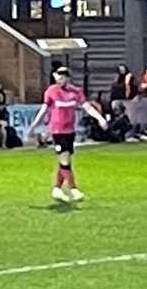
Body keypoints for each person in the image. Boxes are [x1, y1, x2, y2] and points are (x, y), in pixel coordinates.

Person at [24, 67, 107, 203]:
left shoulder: (76, 92)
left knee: (65, 159)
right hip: (57, 131)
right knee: (64, 159)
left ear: (68, 78)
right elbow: (44, 110)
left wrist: (100, 118)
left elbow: (87, 107)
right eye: (58, 76)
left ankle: (57, 188)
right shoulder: (51, 91)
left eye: (63, 77)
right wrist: (33, 127)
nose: (60, 79)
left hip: (69, 130)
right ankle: (73, 188)